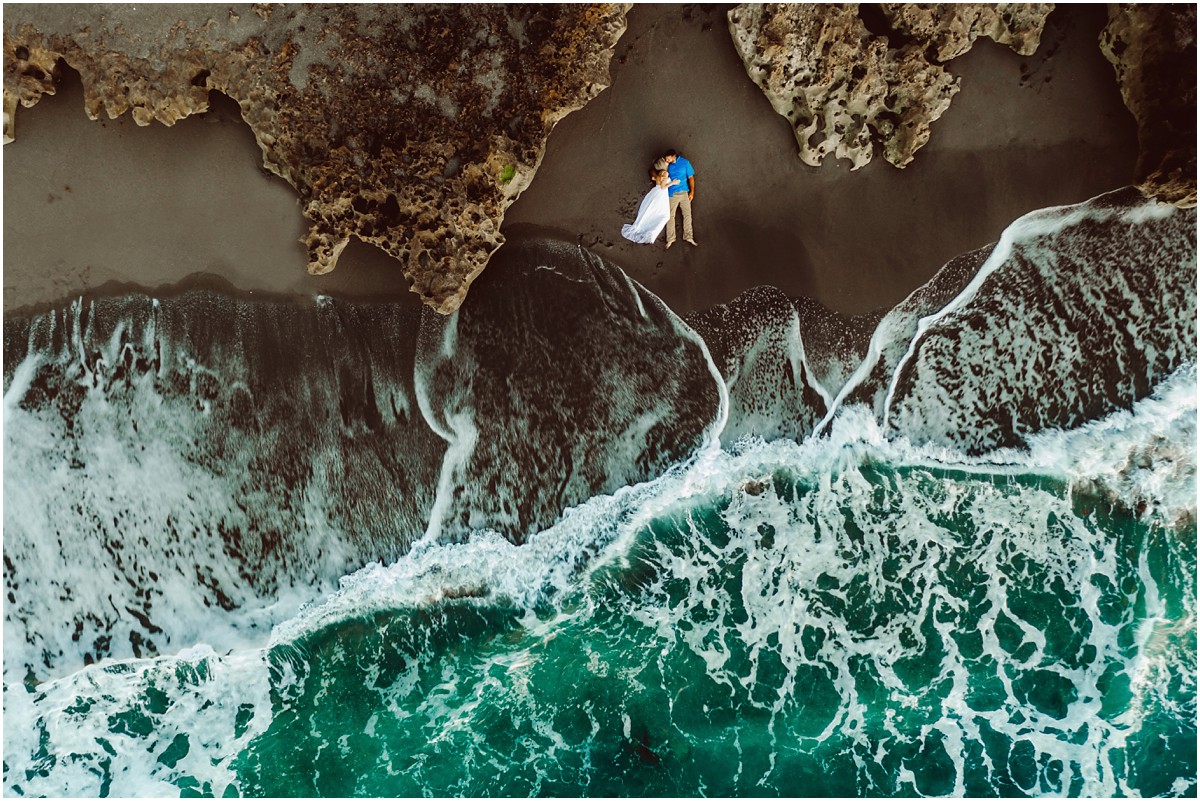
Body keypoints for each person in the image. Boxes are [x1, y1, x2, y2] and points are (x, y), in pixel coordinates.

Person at [621, 167, 679, 244]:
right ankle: (651, 232)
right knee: (663, 215)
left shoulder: (660, 178)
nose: (665, 173)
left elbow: (656, 179)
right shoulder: (663, 177)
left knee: (656, 213)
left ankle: (651, 231)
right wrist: (672, 183)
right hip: (660, 194)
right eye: (663, 172)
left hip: (658, 194)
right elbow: (662, 187)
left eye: (665, 173)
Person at [662, 149, 696, 249]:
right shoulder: (667, 165)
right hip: (671, 194)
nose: (666, 160)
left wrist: (692, 192)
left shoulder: (685, 162)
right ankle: (670, 239)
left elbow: (691, 178)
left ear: (674, 156)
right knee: (670, 216)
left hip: (684, 192)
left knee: (687, 214)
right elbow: (661, 174)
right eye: (665, 159)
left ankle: (688, 236)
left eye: (668, 158)